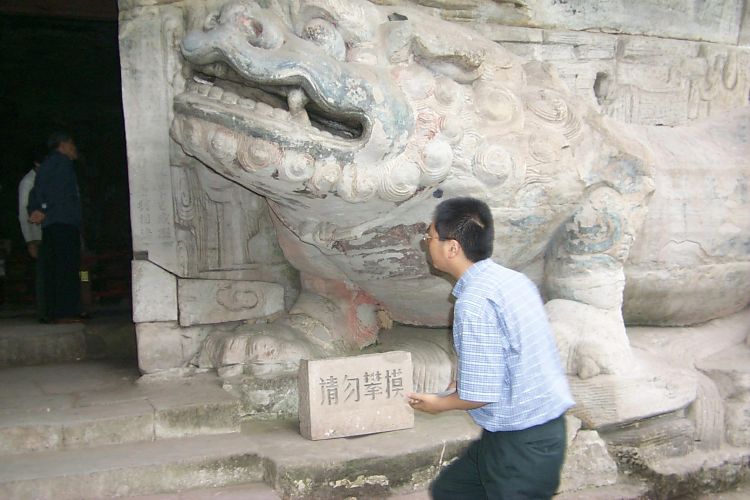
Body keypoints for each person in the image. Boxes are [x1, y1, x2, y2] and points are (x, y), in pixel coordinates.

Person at [408, 196, 575, 499]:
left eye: (430, 237)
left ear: (452, 248)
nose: (427, 243)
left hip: (522, 442)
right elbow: (516, 350)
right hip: (532, 429)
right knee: (451, 490)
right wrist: (468, 377)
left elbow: (479, 396)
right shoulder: (513, 281)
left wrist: (437, 404)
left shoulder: (473, 303)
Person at [27, 132, 83, 324]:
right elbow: (58, 192)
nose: (75, 148)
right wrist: (44, 209)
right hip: (63, 221)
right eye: (72, 143)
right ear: (64, 144)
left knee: (55, 268)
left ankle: (55, 312)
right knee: (66, 268)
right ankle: (65, 313)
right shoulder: (62, 163)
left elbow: (37, 191)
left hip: (52, 224)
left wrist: (36, 208)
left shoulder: (47, 165)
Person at [18, 148, 48, 321]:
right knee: (42, 275)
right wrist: (30, 240)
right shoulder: (29, 182)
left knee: (82, 273)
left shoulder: (44, 179)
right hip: (38, 237)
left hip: (49, 234)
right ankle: (44, 312)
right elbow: (23, 212)